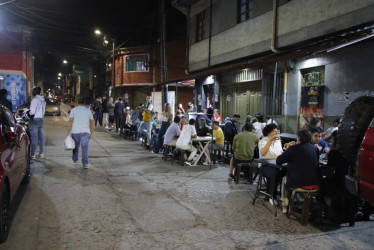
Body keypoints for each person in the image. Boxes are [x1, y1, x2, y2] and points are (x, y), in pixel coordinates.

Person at [276, 129, 320, 213]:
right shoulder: (315, 149)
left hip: (300, 183)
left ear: (299, 138)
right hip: (315, 182)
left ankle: (285, 205)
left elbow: (279, 161)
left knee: (285, 179)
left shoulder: (293, 148)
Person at [259, 123, 284, 205]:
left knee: (287, 172)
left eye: (277, 131)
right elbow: (263, 153)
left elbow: (280, 154)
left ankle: (284, 198)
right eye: (275, 131)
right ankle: (271, 196)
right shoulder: (263, 141)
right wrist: (269, 141)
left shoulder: (278, 142)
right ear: (269, 132)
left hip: (277, 165)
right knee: (274, 174)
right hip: (265, 165)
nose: (277, 133)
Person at [67, 97, 94, 169]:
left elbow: (70, 122)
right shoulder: (88, 111)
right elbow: (91, 122)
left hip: (75, 131)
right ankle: (85, 163)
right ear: (84, 103)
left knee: (75, 147)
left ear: (78, 103)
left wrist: (68, 132)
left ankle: (74, 159)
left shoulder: (73, 110)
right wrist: (91, 132)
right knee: (85, 147)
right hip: (85, 132)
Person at [29, 86, 46, 159]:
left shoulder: (34, 100)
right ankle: (41, 153)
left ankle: (33, 154)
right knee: (41, 137)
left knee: (34, 138)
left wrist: (29, 114)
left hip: (34, 120)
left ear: (34, 92)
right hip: (40, 119)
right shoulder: (43, 100)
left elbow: (32, 112)